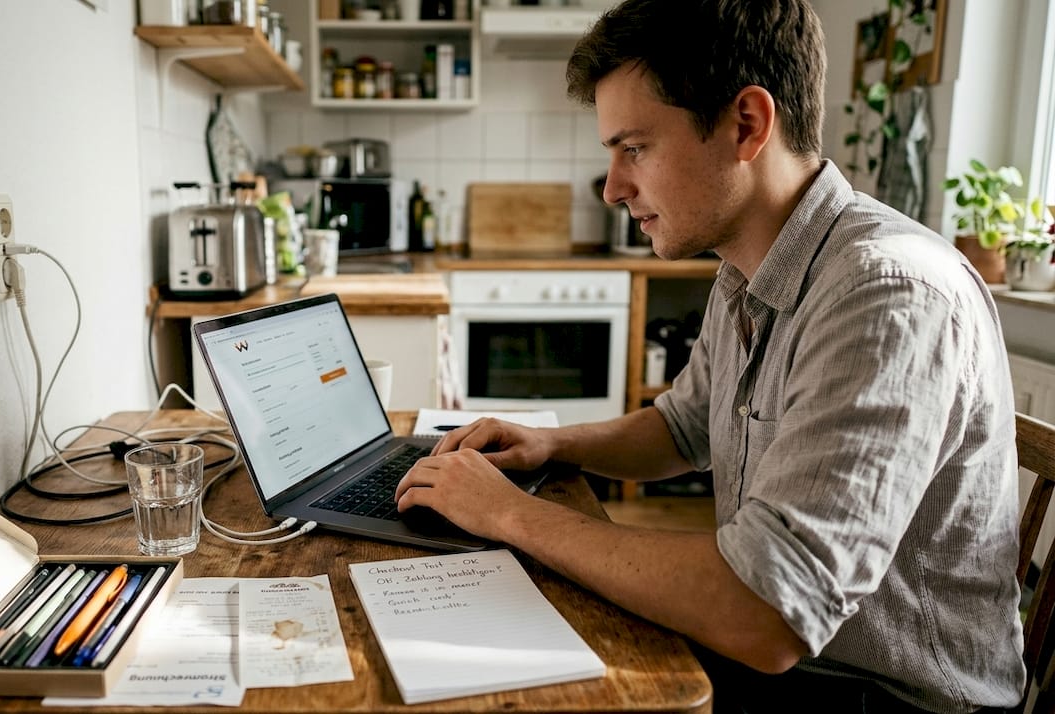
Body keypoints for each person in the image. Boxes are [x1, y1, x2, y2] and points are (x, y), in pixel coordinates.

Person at [393, 0, 1026, 711]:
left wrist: (508, 514)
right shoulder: (749, 265)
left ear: (747, 125)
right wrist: (550, 444)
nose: (612, 187)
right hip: (794, 665)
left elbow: (767, 614)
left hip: (881, 695)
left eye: (634, 148)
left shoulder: (887, 293)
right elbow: (683, 429)